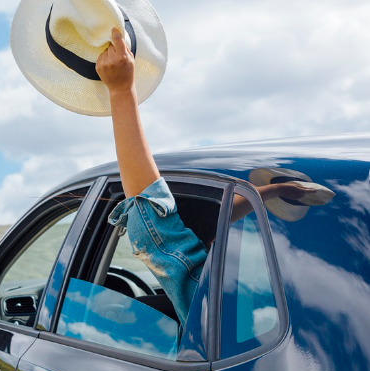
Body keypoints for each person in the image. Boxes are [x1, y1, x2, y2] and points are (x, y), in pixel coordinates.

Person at [95, 28, 314, 324]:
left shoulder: (216, 308)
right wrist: (271, 191)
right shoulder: (302, 300)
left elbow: (153, 225)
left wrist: (121, 92)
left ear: (208, 243)